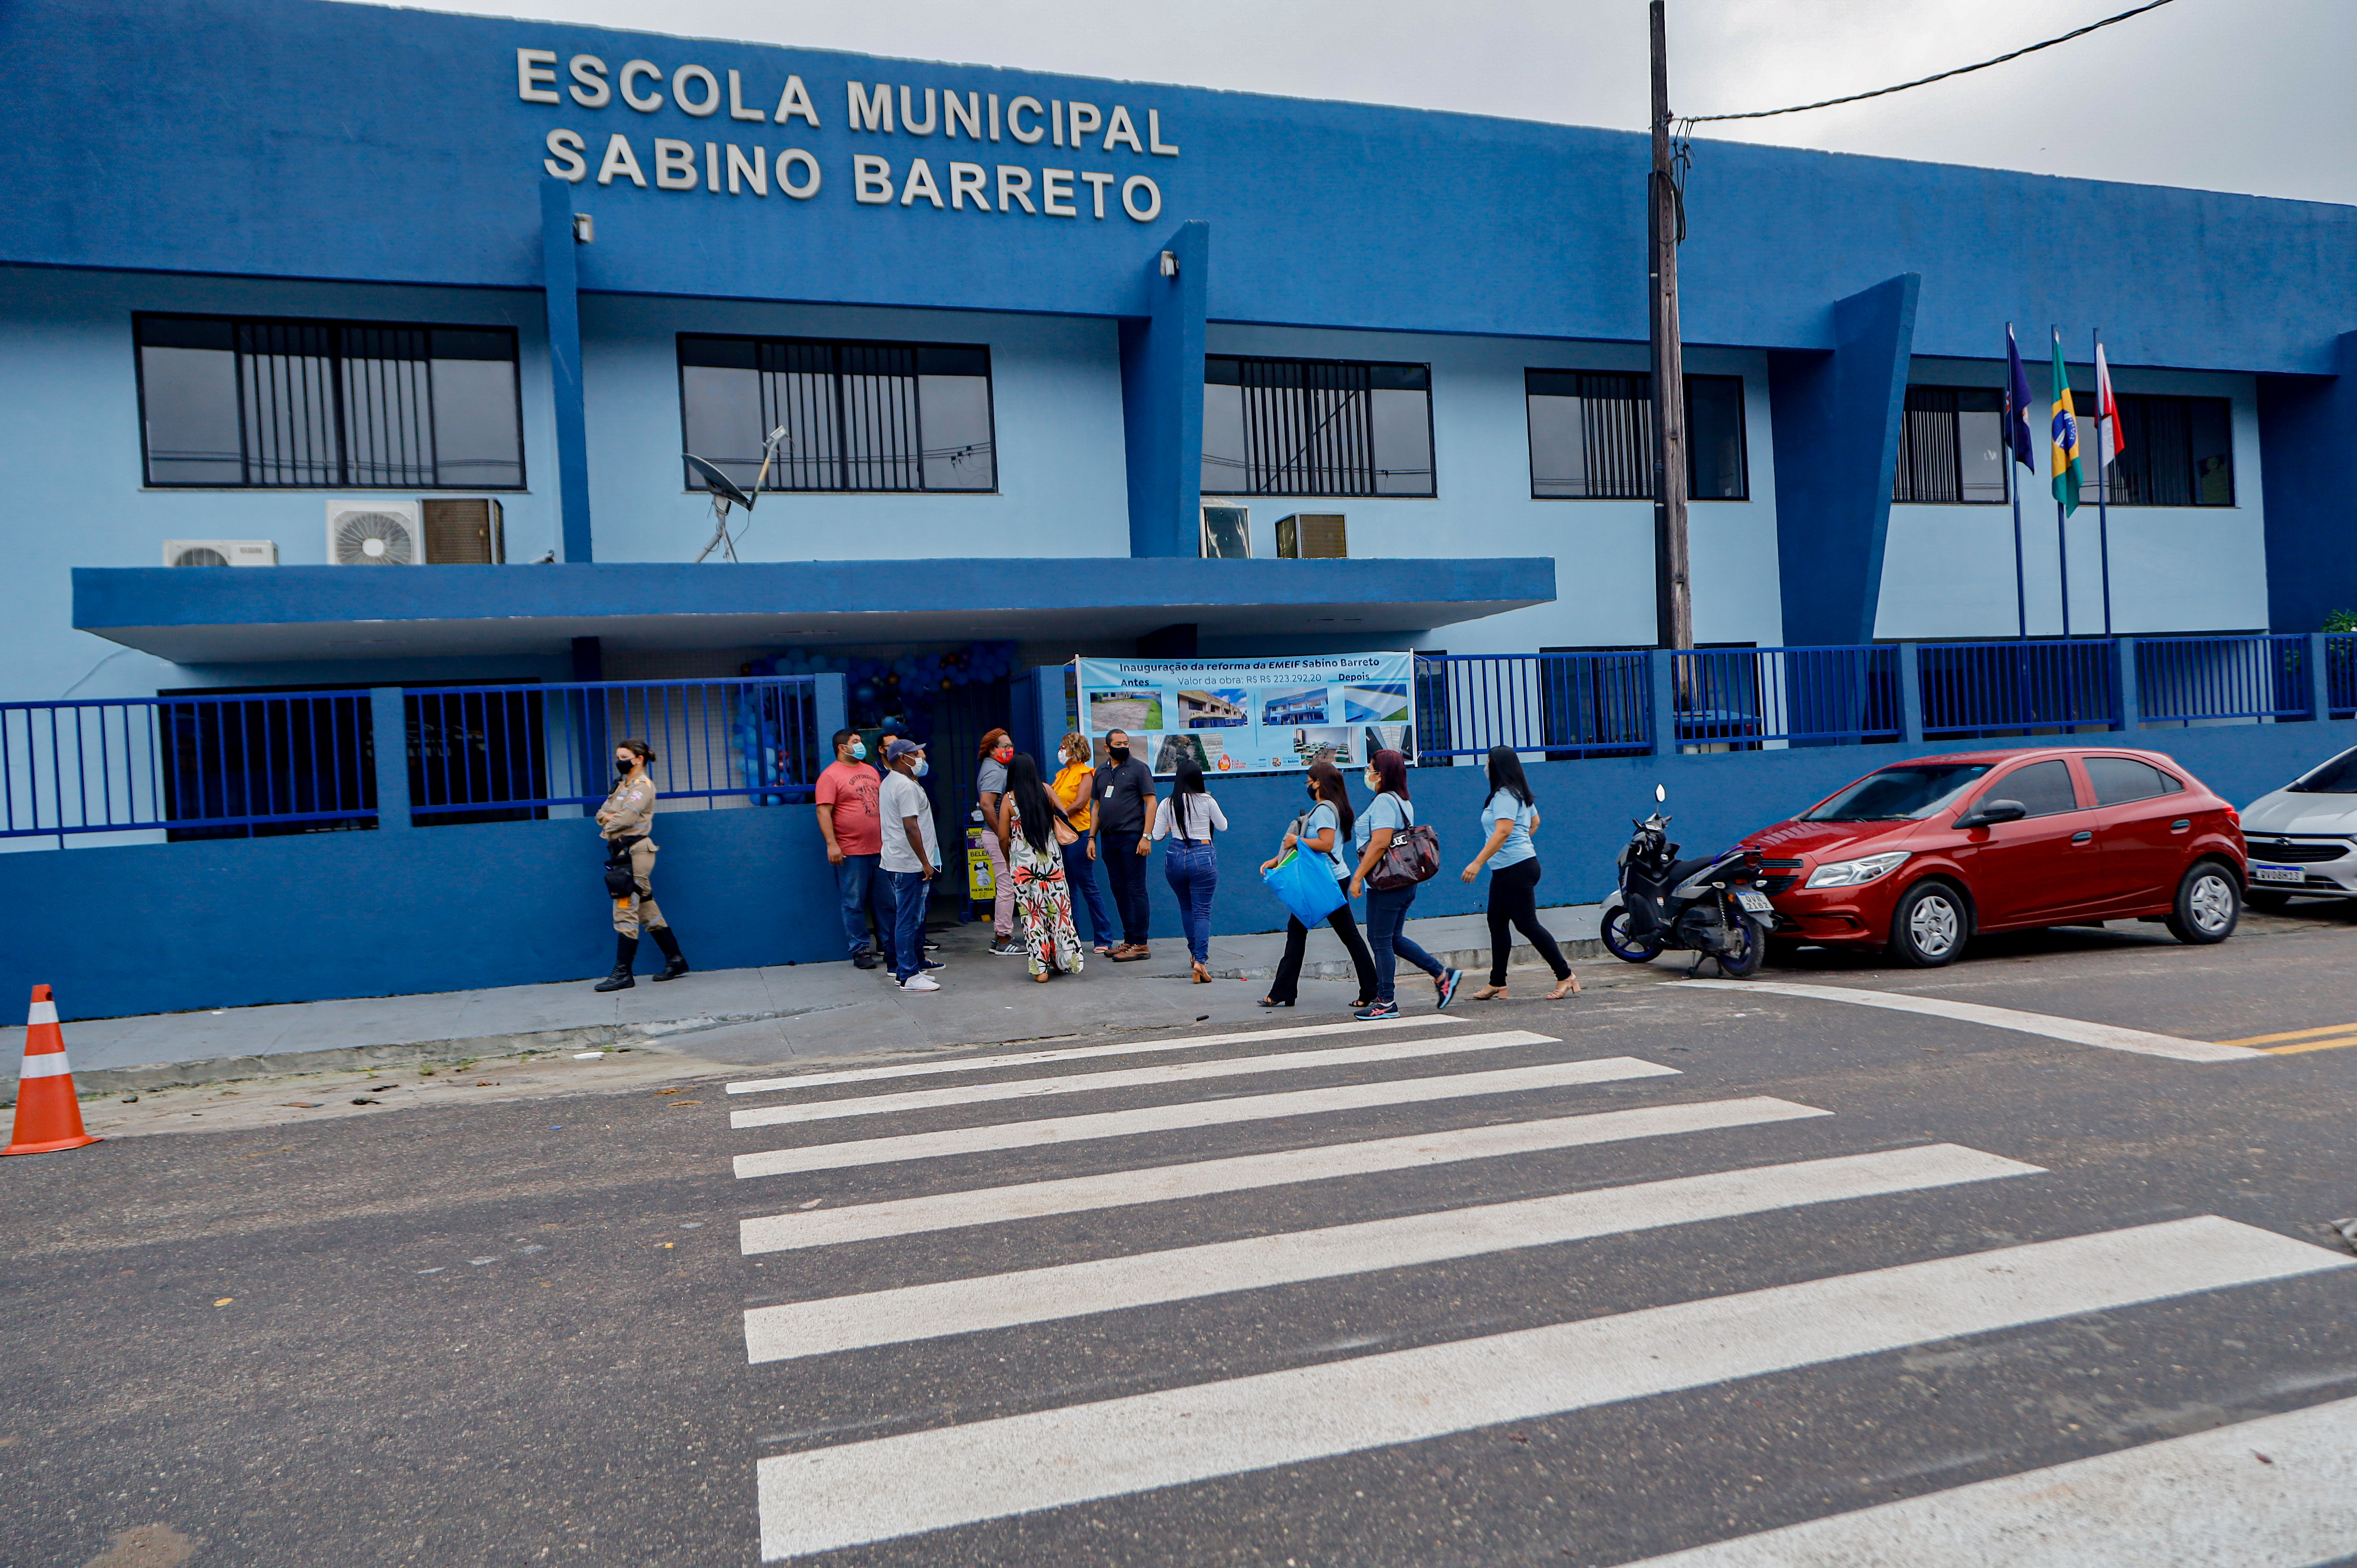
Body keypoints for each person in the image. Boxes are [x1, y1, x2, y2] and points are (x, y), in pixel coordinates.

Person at [1460, 745, 1581, 1001]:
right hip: (1511, 867)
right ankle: (1497, 983)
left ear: (1498, 767)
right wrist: (1520, 843)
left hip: (1516, 868)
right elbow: (1535, 822)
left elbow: (1503, 831)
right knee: (1497, 923)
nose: (1486, 767)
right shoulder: (1517, 792)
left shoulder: (1505, 795)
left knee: (1527, 924)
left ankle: (1565, 975)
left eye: (1488, 762)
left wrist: (1478, 863)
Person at [1348, 748, 1460, 1019]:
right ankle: (1442, 974)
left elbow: (1380, 842)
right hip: (1402, 882)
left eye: (1371, 768)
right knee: (1392, 938)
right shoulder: (1402, 801)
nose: (1368, 773)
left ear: (1382, 774)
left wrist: (1358, 876)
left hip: (1388, 884)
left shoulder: (1385, 801)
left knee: (1380, 940)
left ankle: (1386, 1001)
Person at [1258, 758, 1378, 1008]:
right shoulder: (1334, 807)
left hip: (1325, 882)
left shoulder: (1324, 810)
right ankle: (1285, 991)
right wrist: (1277, 859)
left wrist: (1296, 841)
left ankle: (1371, 989)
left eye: (1309, 782)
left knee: (1342, 935)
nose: (1308, 786)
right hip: (1327, 879)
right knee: (1304, 932)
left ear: (1319, 784)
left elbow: (1325, 843)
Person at [593, 738, 688, 991]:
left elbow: (626, 817)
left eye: (624, 757)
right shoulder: (621, 785)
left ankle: (623, 973)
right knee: (646, 908)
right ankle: (676, 960)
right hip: (621, 853)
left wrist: (609, 821)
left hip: (635, 853)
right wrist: (608, 818)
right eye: (618, 757)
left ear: (639, 759)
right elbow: (600, 813)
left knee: (624, 908)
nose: (619, 761)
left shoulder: (642, 786)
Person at [995, 752, 1086, 981]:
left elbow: (1003, 836)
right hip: (1051, 861)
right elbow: (1063, 815)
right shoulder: (1046, 790)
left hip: (1023, 865)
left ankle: (1041, 969)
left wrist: (1008, 858)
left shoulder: (1009, 799)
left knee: (1032, 914)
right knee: (1058, 911)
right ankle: (1062, 960)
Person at [814, 727, 888, 969]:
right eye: (855, 741)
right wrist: (832, 845)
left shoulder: (870, 771)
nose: (860, 745)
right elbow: (823, 811)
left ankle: (889, 946)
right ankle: (860, 950)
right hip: (851, 851)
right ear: (842, 747)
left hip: (880, 849)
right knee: (853, 902)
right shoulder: (830, 776)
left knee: (886, 901)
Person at [1152, 756, 1228, 983]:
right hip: (1202, 854)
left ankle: (1194, 954)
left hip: (1175, 855)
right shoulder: (1207, 801)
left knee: (1186, 907)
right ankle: (1200, 961)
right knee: (1202, 911)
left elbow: (1157, 836)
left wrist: (1169, 827)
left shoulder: (1167, 803)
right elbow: (1223, 826)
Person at [878, 738, 941, 991]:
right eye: (915, 755)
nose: (920, 758)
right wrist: (925, 862)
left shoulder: (890, 782)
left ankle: (903, 968)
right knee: (908, 920)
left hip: (897, 860)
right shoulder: (905, 786)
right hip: (908, 863)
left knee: (905, 917)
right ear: (903, 758)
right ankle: (908, 975)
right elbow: (911, 826)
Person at [1092, 728, 1158, 960]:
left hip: (1132, 838)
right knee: (1119, 889)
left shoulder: (1139, 769)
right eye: (1118, 744)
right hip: (1108, 839)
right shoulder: (1101, 772)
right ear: (1107, 748)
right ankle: (1129, 940)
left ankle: (1141, 943)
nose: (1123, 747)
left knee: (1136, 889)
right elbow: (1096, 807)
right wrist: (1091, 838)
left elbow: (1151, 803)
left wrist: (1146, 836)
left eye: (1126, 743)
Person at [1050, 731, 1115, 954]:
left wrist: (1056, 816)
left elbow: (1080, 804)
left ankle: (1104, 937)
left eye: (1064, 747)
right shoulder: (1061, 775)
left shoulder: (1086, 774)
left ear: (1074, 749)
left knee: (1087, 886)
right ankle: (1072, 937)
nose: (1060, 751)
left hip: (1079, 835)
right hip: (1061, 836)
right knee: (1067, 889)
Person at [975, 728, 1021, 956]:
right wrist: (1003, 834)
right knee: (1006, 886)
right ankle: (1003, 938)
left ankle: (1000, 936)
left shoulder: (997, 768)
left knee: (1005, 885)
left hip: (996, 835)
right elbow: (986, 804)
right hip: (996, 836)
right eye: (1005, 746)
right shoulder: (994, 771)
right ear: (993, 750)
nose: (1009, 750)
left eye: (1010, 745)